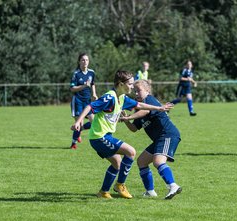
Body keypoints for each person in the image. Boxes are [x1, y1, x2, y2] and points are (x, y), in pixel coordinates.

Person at [71, 70, 174, 199]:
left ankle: (103, 192)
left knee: (117, 163)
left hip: (104, 136)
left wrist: (159, 108)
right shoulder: (110, 97)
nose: (132, 86)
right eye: (130, 84)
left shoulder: (122, 98)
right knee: (130, 152)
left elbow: (140, 105)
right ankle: (120, 185)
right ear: (120, 84)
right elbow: (90, 107)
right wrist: (79, 121)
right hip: (99, 137)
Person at [121, 80, 182, 200]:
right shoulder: (139, 109)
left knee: (158, 162)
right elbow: (134, 128)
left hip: (167, 134)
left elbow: (146, 111)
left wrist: (129, 116)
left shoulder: (149, 100)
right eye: (135, 91)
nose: (136, 94)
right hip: (159, 139)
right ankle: (150, 191)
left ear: (147, 91)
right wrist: (126, 120)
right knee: (142, 161)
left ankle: (173, 186)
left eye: (139, 90)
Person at [70, 53, 98, 149]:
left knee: (94, 122)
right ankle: (73, 143)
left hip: (88, 101)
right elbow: (72, 88)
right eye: (83, 60)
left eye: (86, 60)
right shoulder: (76, 74)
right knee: (79, 122)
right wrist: (84, 86)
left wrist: (94, 94)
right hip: (78, 101)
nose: (85, 62)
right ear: (79, 62)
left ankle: (80, 129)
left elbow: (93, 83)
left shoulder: (91, 72)